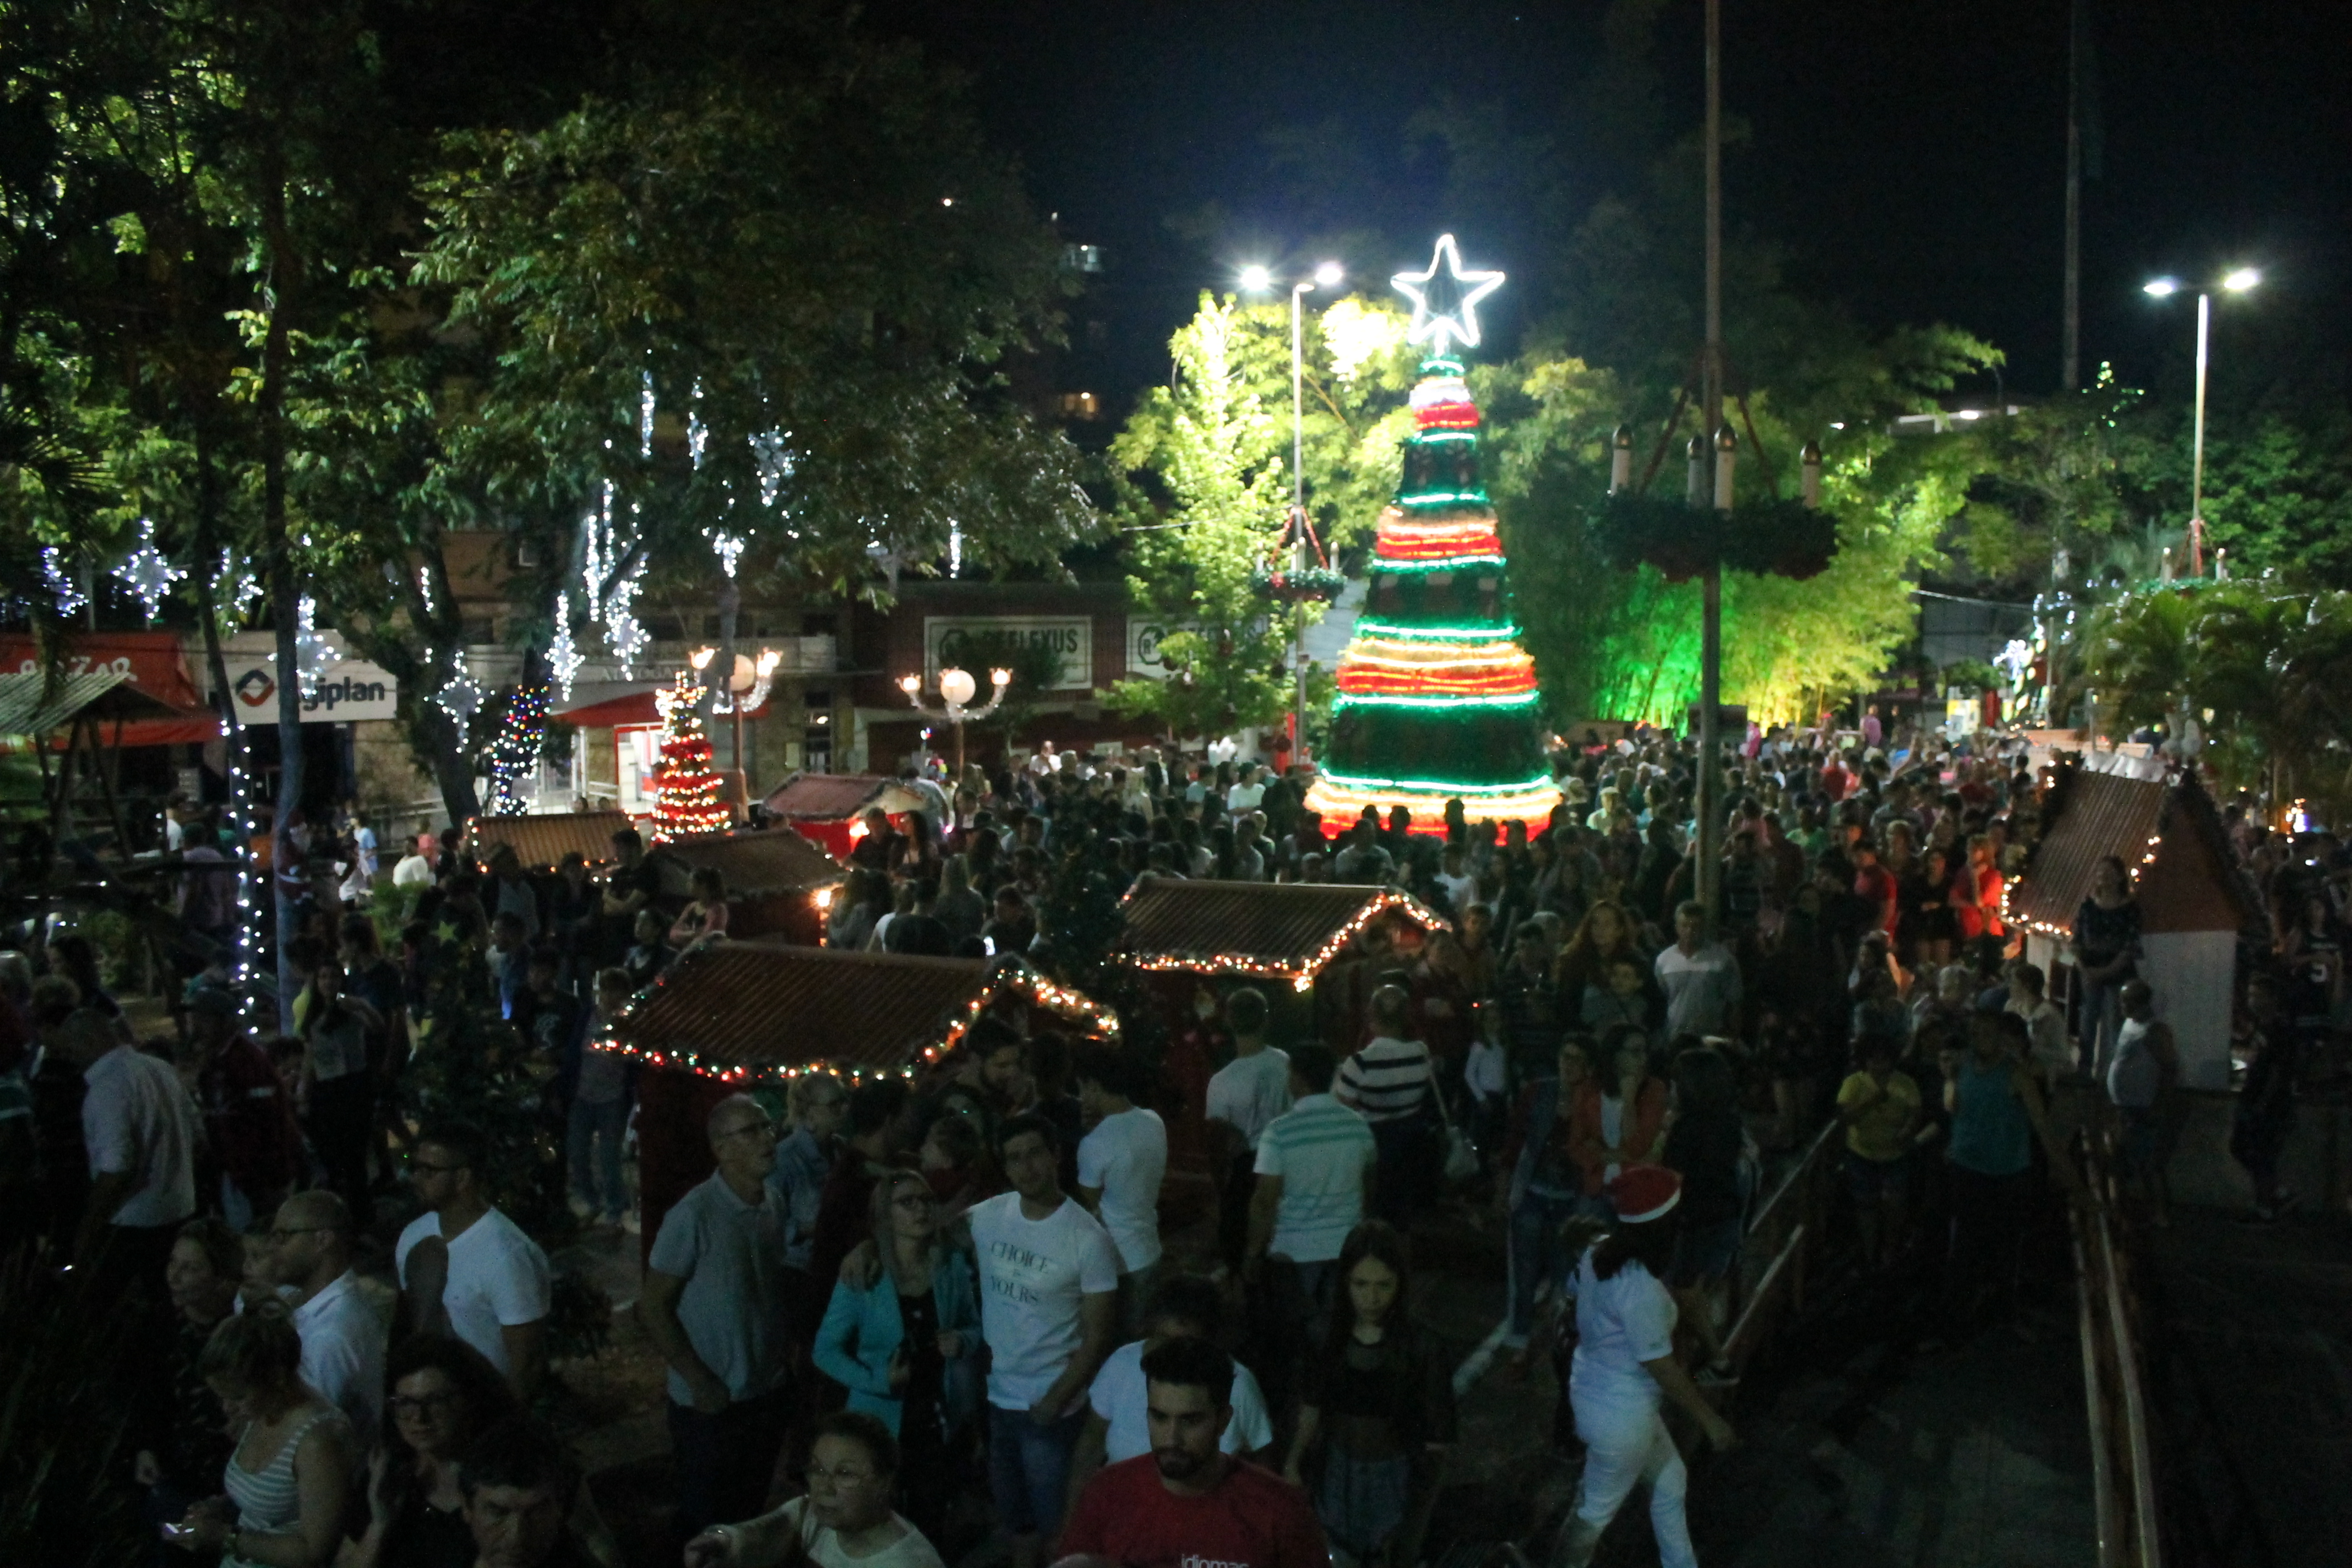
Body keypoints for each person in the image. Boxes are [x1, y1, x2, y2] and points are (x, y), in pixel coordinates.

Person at [1549, 1168, 1736, 1568]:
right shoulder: (1640, 1290)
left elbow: (1574, 1295)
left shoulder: (1598, 1252)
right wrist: (1710, 1421)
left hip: (1602, 1398)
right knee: (1591, 1515)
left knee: (1670, 1481)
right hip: (1622, 1418)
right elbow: (1662, 1369)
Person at [966, 1112, 1121, 1568]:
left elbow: (1099, 1334)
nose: (1026, 1166)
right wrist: (868, 1246)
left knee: (1060, 1530)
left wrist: (1056, 1399)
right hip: (999, 1399)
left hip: (1050, 1408)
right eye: (1014, 1158)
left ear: (1056, 1156)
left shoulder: (1087, 1238)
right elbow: (929, 1234)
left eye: (1034, 1153)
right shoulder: (989, 1216)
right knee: (1017, 1524)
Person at [642, 1095, 796, 1537]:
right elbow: (653, 1305)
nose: (768, 1138)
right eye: (751, 1131)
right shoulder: (694, 1215)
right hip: (712, 1403)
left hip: (765, 1391)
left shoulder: (773, 1201)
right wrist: (699, 1381)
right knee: (706, 1520)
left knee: (749, 1512)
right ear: (722, 1149)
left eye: (767, 1126)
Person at [812, 1167, 981, 1544]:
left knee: (928, 1521)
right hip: (879, 1421)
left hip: (936, 1416)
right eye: (907, 1202)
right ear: (885, 1215)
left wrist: (962, 1341)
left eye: (927, 1200)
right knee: (875, 1525)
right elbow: (825, 1350)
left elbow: (973, 1325)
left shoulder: (949, 1264)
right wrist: (877, 1379)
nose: (921, 1209)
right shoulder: (867, 1273)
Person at [1059, 1337, 1327, 1568]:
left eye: (1190, 1421)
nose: (1172, 1438)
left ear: (1223, 1421)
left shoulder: (1279, 1509)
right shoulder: (1107, 1493)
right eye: (1160, 1417)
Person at [1283, 1221, 1456, 1566]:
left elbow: (1438, 1440)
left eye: (1383, 1285)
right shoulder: (1324, 1335)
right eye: (1361, 1284)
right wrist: (1293, 1462)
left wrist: (1419, 1513)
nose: (1372, 1298)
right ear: (1345, 1282)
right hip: (1336, 1470)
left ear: (1400, 1284)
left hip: (1394, 1474)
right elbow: (1311, 1405)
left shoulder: (1422, 1347)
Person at [167, 1305, 354, 1568]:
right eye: (222, 1397)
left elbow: (314, 1553)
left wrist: (225, 1537)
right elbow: (273, 1504)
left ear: (276, 1377)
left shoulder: (318, 1442)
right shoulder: (262, 1411)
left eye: (238, 1397)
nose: (227, 1409)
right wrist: (221, 1508)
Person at [1068, 1273, 1276, 1503]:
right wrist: (1073, 1513)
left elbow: (1262, 1468)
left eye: (1185, 1344)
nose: (1171, 1354)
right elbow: (1091, 1445)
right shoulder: (1122, 1364)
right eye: (1163, 1340)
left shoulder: (1238, 1383)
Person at [1246, 1043, 1377, 1405]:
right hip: (1346, 1247)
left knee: (1293, 1342)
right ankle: (1333, 1401)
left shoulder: (1279, 1132)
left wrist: (1253, 1253)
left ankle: (1299, 1405)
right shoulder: (1357, 1126)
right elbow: (1368, 1187)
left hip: (1293, 1253)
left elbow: (1264, 1201)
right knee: (1337, 1333)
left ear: (1298, 1078)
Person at [1940, 1010, 2076, 1335]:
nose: (1980, 1040)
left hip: (2006, 1172)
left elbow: (2042, 1127)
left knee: (2005, 1246)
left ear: (2001, 1037)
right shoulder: (1963, 1067)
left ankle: (2001, 1312)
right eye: (1976, 1033)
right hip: (1968, 1167)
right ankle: (1959, 1315)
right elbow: (1953, 1107)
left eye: (1987, 1033)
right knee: (1964, 1245)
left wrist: (2072, 1180)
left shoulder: (2016, 1075)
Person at [395, 1121, 553, 1396]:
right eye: (414, 1167)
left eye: (428, 1171)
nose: (415, 1179)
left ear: (462, 1178)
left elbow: (527, 1363)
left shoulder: (507, 1256)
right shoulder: (413, 1235)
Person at [682, 1412, 943, 1568]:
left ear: (884, 1483)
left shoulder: (911, 1563)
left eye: (845, 1473)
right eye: (817, 1470)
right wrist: (721, 1541)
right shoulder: (810, 1515)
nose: (824, 1487)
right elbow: (762, 1534)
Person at [68, 1012, 200, 1292]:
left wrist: (89, 1227)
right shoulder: (160, 1068)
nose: (70, 1057)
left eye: (71, 1047)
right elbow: (196, 1131)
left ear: (89, 1040)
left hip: (134, 1224)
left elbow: (117, 1168)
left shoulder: (107, 1087)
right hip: (180, 1209)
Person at [137, 1219, 243, 1542]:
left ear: (221, 1277)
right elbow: (152, 1393)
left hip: (231, 1484)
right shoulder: (161, 1326)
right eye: (173, 1263)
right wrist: (147, 1447)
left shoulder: (241, 1335)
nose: (174, 1276)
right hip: (174, 1477)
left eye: (191, 1268)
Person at [1498, 1037, 1597, 1353]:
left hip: (1571, 1197)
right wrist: (1505, 1185)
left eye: (1577, 1059)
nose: (1569, 1065)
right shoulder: (1538, 1092)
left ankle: (1557, 1338)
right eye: (1566, 1057)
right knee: (1524, 1270)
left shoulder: (1592, 1100)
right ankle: (1519, 1336)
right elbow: (1515, 1139)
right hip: (1533, 1191)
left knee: (1564, 1272)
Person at [269, 1189, 386, 1452]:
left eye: (283, 1237)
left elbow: (307, 1430)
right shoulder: (311, 1303)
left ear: (322, 1240)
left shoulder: (329, 1334)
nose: (272, 1248)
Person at [187, 989, 301, 1232]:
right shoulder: (218, 1061)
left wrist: (257, 1178)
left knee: (260, 1234)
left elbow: (267, 1120)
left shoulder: (246, 1062)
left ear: (226, 1022)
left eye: (205, 1019)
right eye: (195, 1018)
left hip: (258, 1175)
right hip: (237, 1172)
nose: (196, 1026)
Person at [1074, 1043, 1167, 1326]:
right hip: (1150, 1246)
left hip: (1118, 1258)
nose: (1080, 1096)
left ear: (1093, 1086)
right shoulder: (1153, 1121)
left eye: (1081, 1088)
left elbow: (1089, 1199)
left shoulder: (1095, 1142)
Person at [1203, 987, 1289, 1270]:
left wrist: (1220, 1187)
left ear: (1229, 1022)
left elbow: (1218, 1140)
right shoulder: (1284, 1063)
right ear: (1266, 1019)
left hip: (1245, 1168)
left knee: (1241, 1245)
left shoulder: (1221, 1081)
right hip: (1285, 1161)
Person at [1335, 985, 1435, 1223]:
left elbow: (1344, 1106)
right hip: (1412, 1141)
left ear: (1372, 1016)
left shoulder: (1360, 1063)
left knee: (1376, 1208)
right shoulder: (1421, 1052)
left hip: (1373, 1143)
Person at [453, 1417, 603, 1568]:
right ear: (467, 1506)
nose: (517, 1537)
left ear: (559, 1507)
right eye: (499, 1512)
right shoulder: (447, 1546)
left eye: (537, 1513)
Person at [1837, 1035, 1921, 1266]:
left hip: (1895, 1155)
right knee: (1866, 1205)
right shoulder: (1854, 1083)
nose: (1878, 1066)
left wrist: (1906, 1131)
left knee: (1895, 1205)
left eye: (1884, 1061)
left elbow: (1915, 1113)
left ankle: (1890, 1249)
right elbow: (1846, 1117)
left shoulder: (1905, 1083)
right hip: (1862, 1154)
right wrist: (1871, 1102)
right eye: (1873, 1060)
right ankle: (1869, 1252)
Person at [2107, 981, 2181, 1222]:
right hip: (2126, 1107)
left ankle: (2160, 1213)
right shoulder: (2130, 1024)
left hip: (2143, 1108)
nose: (2121, 1006)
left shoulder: (2154, 1031)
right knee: (2126, 1160)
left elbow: (2170, 1070)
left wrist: (2158, 1107)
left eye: (2125, 1001)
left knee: (2148, 1164)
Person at [1569, 1026, 1668, 1205]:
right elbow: (1576, 1145)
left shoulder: (1654, 1089)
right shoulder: (1588, 1089)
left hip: (1637, 1188)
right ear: (1615, 1055)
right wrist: (1604, 1156)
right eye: (1636, 1052)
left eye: (1645, 1051)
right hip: (1598, 1188)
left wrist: (1629, 1103)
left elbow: (1638, 1147)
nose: (1644, 1059)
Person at [567, 970, 635, 1229]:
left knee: (609, 1158)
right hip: (583, 1095)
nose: (611, 997)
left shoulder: (629, 1022)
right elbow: (574, 1051)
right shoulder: (587, 1016)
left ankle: (615, 1208)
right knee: (577, 1152)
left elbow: (634, 1061)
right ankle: (591, 1200)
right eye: (607, 990)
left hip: (612, 1098)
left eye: (617, 991)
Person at [2232, 971, 2301, 1222]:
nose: (2252, 1000)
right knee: (2245, 1149)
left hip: (2268, 1103)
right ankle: (2277, 1194)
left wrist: (2263, 1102)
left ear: (2272, 998)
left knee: (2259, 1153)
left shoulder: (2280, 1029)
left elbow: (2278, 1072)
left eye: (2257, 995)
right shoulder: (2261, 1027)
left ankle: (2266, 1207)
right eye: (2251, 995)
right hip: (2253, 1097)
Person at [2071, 855, 2141, 1080]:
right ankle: (2084, 1070)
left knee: (2114, 1024)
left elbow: (2130, 946)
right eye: (2101, 873)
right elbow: (2077, 942)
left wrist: (2106, 971)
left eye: (2109, 873)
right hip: (2090, 973)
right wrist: (2085, 969)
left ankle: (2110, 1074)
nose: (2104, 878)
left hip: (2118, 974)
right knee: (2087, 1022)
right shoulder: (2088, 907)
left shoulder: (2130, 910)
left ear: (2120, 877)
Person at [1654, 902, 1740, 1041]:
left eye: (1695, 927)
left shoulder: (1723, 959)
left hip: (1712, 1036)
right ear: (1676, 927)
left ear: (1703, 927)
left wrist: (1732, 1036)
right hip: (1675, 1036)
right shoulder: (1664, 960)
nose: (1689, 931)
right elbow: (1661, 999)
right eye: (1684, 926)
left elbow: (1734, 1000)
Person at [669, 867, 732, 949]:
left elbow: (707, 937)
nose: (688, 885)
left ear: (703, 885)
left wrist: (687, 934)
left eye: (691, 882)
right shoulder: (692, 906)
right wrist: (689, 934)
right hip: (683, 950)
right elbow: (673, 933)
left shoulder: (718, 910)